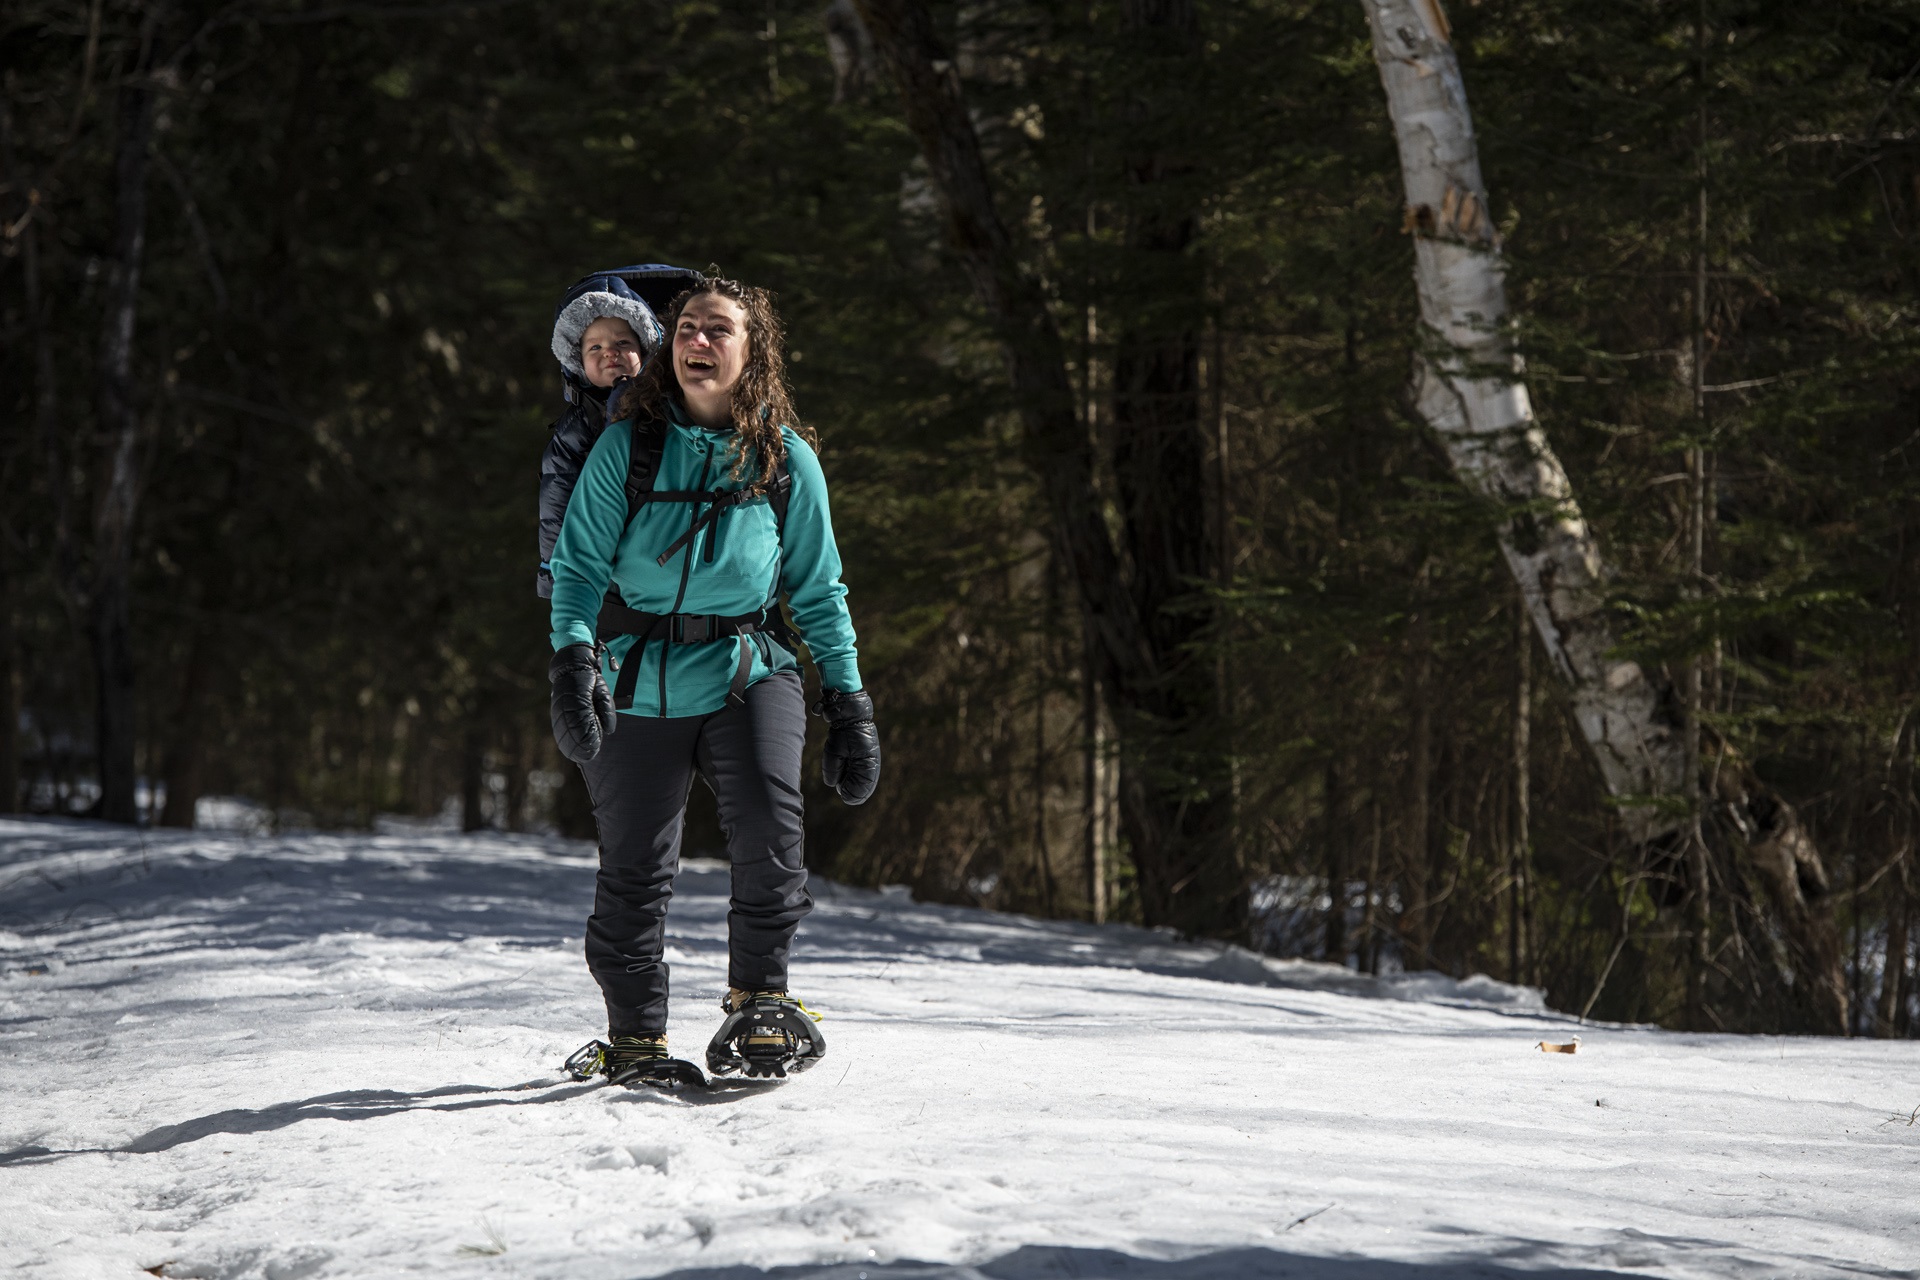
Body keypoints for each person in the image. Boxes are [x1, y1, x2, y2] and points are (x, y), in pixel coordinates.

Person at [547, 274, 881, 1085]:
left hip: (749, 668)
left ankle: (761, 1005)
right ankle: (634, 1039)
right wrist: (573, 663)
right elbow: (579, 569)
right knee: (635, 863)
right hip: (637, 673)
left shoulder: (784, 459)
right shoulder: (626, 448)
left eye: (718, 330)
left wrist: (849, 702)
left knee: (772, 826)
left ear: (751, 350)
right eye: (688, 328)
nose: (699, 341)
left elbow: (819, 589)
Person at [537, 271, 673, 599]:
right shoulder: (579, 426)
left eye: (622, 343)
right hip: (606, 558)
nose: (609, 352)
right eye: (595, 346)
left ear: (644, 351)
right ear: (578, 362)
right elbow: (558, 497)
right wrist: (555, 571)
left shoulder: (670, 407)